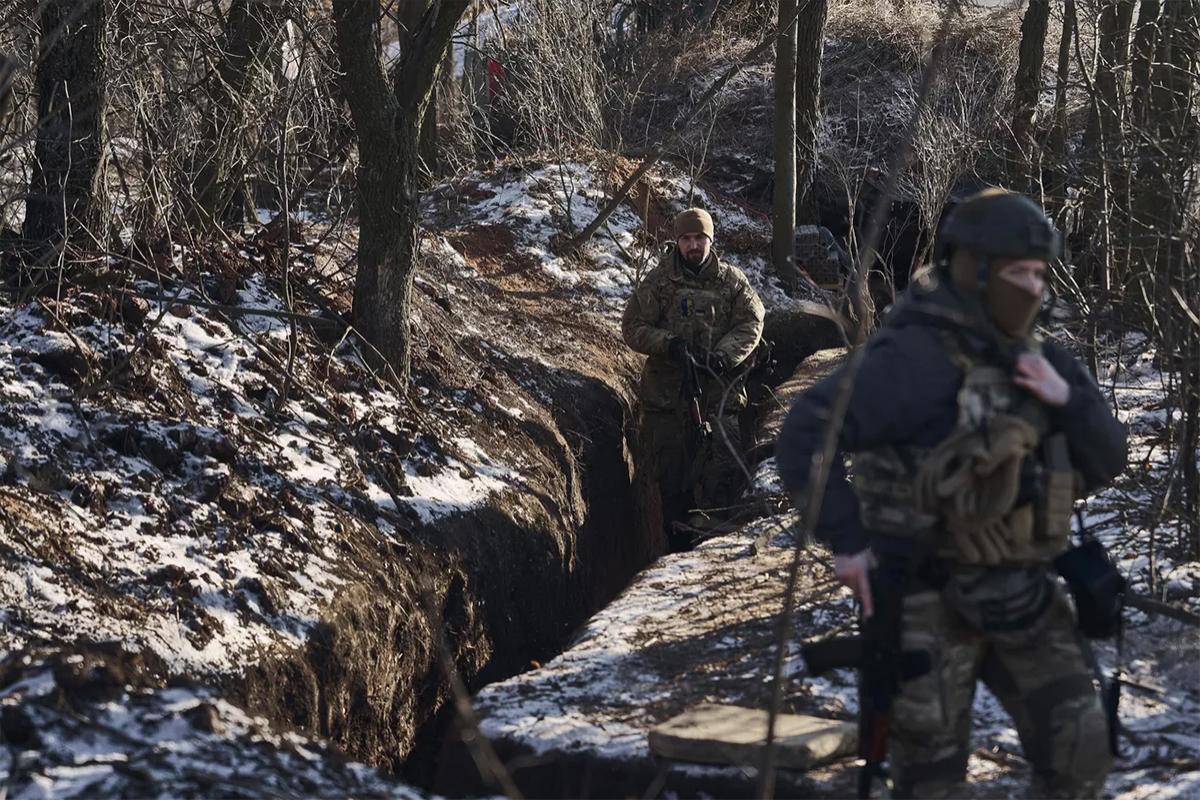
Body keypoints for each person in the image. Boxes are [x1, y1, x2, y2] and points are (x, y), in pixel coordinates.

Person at [775, 189, 1128, 798]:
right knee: (928, 778)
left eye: (1041, 275)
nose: (1035, 289)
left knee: (1081, 750)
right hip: (922, 598)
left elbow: (1108, 458)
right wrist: (848, 542)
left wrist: (1066, 401)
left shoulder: (1043, 359)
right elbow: (806, 433)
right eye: (1020, 273)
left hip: (1023, 589)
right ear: (975, 268)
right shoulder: (910, 358)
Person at [622, 207, 765, 551]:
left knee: (723, 480)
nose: (693, 245)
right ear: (677, 242)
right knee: (673, 486)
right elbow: (633, 327)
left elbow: (752, 322)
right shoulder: (658, 282)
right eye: (686, 239)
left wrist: (722, 356)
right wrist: (670, 345)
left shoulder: (732, 282)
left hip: (719, 401)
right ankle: (675, 551)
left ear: (710, 241)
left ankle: (716, 550)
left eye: (699, 238)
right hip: (668, 405)